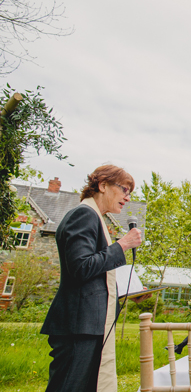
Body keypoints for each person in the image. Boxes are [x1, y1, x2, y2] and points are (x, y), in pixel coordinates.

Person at [41, 165, 146, 392]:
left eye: (130, 193)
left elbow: (93, 275)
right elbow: (80, 267)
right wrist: (123, 244)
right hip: (78, 326)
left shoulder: (96, 218)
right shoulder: (83, 215)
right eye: (125, 190)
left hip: (89, 325)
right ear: (103, 185)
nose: (127, 198)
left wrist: (126, 292)